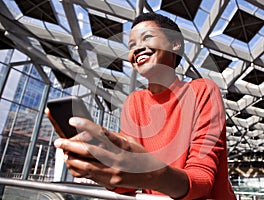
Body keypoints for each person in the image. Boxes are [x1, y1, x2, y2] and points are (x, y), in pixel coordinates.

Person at [52, 12, 236, 199]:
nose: (137, 49)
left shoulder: (202, 90)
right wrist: (106, 170)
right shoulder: (134, 102)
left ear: (175, 44)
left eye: (147, 37)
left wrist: (149, 173)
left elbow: (202, 182)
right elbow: (129, 183)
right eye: (132, 45)